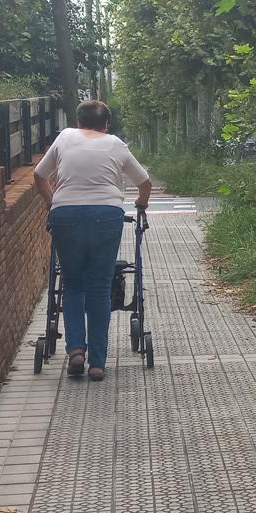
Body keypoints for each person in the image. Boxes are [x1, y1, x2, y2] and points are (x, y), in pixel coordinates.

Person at [33, 101, 151, 381]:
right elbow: (144, 182)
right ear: (106, 124)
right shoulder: (115, 144)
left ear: (79, 122)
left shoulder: (64, 137)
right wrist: (140, 203)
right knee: (98, 287)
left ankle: (75, 350)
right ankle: (97, 363)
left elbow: (39, 175)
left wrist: (53, 203)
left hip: (66, 214)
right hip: (105, 215)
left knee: (73, 283)